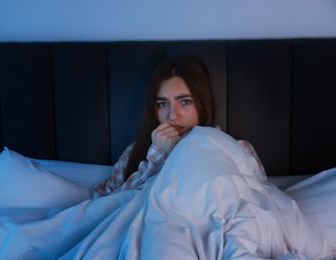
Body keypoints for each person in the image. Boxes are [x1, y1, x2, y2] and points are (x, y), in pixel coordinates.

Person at [93, 56, 264, 197]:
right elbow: (106, 204)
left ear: (203, 103)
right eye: (162, 104)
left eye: (185, 101)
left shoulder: (239, 148)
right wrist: (156, 158)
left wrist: (182, 153)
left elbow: (256, 202)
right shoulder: (134, 152)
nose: (172, 115)